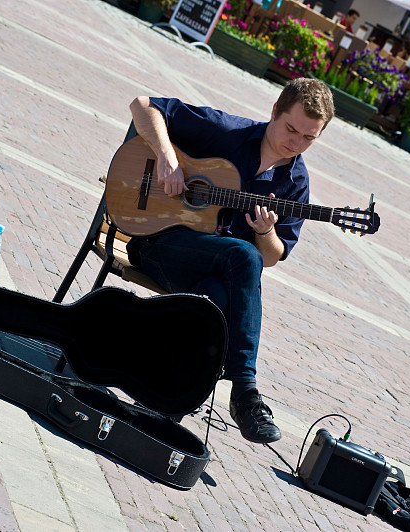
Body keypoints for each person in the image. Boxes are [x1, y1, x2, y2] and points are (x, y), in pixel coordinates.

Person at [127, 78, 335, 444]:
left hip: (206, 276)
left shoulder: (295, 184)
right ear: (274, 111)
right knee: (242, 254)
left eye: (308, 138)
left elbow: (272, 257)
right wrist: (166, 157)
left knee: (221, 299)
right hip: (156, 241)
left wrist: (265, 231)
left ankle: (169, 397)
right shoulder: (226, 132)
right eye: (290, 129)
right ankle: (244, 392)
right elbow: (143, 105)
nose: (295, 142)